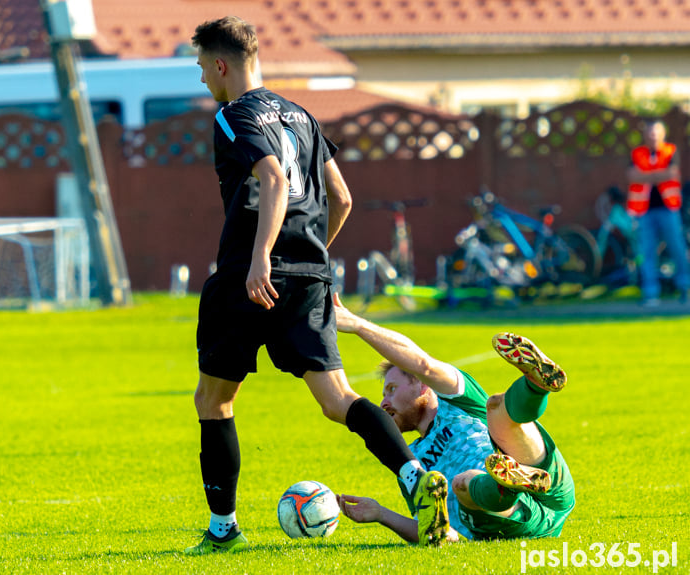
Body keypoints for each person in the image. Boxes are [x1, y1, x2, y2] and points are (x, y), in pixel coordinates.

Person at [185, 16, 442, 554]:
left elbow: (274, 178)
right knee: (338, 399)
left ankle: (223, 529)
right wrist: (313, 257)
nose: (203, 79)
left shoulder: (233, 116)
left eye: (204, 67)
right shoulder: (302, 115)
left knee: (214, 401)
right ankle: (413, 473)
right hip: (308, 275)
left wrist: (261, 259)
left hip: (246, 277)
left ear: (222, 64)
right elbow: (341, 198)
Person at [332, 294, 576, 543]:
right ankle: (505, 482)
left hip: (547, 485)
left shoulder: (457, 401)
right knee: (464, 481)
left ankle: (535, 386)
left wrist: (358, 325)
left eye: (391, 389)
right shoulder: (408, 463)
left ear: (421, 385)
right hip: (508, 519)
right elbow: (431, 526)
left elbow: (423, 364)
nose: (383, 403)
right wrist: (380, 513)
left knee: (495, 407)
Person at [626, 119, 689, 306]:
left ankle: (684, 286)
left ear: (662, 134)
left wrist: (646, 176)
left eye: (655, 133)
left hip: (668, 208)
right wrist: (657, 175)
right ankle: (651, 292)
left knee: (677, 247)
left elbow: (672, 173)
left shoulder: (670, 151)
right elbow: (632, 176)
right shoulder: (638, 153)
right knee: (647, 251)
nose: (652, 137)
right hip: (644, 211)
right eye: (649, 133)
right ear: (645, 135)